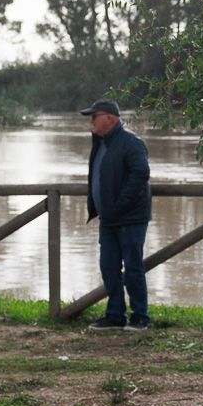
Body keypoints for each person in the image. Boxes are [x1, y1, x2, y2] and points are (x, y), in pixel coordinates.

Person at [81, 98, 151, 331]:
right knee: (108, 267)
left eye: (94, 116)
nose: (91, 121)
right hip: (108, 218)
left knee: (132, 267)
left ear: (110, 118)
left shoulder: (131, 143)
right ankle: (115, 315)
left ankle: (140, 317)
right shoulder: (100, 143)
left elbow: (140, 175)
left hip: (130, 218)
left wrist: (120, 205)